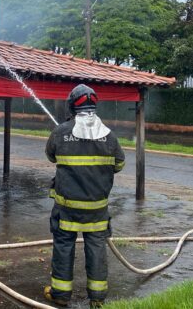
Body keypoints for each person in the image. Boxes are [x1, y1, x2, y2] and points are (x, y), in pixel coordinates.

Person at [44, 84, 124, 308]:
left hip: (66, 208)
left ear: (72, 105)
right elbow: (119, 164)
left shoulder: (61, 132)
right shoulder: (109, 136)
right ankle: (97, 299)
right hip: (97, 209)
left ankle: (60, 294)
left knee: (63, 245)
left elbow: (51, 156)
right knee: (96, 247)